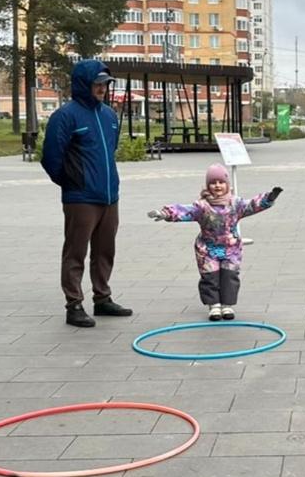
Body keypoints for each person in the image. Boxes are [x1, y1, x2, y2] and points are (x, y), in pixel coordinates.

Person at [40, 59, 132, 328]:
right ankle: (74, 304)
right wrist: (73, 183)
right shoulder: (66, 116)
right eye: (97, 84)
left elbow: (110, 150)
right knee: (75, 252)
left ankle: (102, 298)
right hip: (81, 198)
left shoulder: (108, 115)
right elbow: (51, 158)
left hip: (109, 196)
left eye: (105, 84)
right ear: (84, 84)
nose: (102, 88)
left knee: (105, 250)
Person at [149, 163, 283, 320]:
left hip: (231, 249)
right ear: (207, 185)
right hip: (207, 249)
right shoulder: (202, 206)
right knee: (209, 276)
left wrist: (269, 198)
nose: (217, 186)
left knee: (230, 276)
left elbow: (252, 205)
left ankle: (227, 305)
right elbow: (185, 210)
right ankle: (214, 305)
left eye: (221, 182)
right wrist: (165, 213)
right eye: (213, 182)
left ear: (227, 184)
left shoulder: (236, 203)